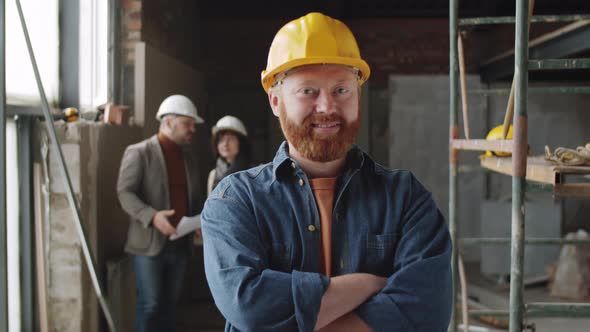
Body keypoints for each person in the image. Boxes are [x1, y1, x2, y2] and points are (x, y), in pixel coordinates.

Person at [201, 12, 452, 332]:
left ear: (358, 94)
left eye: (341, 90)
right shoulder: (236, 200)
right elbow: (248, 307)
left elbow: (427, 313)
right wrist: (367, 285)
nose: (327, 107)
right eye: (308, 91)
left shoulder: (405, 198)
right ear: (276, 101)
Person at [117, 94, 204, 332]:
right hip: (150, 245)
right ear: (168, 123)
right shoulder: (139, 152)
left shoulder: (188, 157)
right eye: (188, 123)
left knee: (169, 307)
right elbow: (124, 193)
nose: (193, 129)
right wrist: (153, 217)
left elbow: (192, 197)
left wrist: (198, 220)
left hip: (180, 242)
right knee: (151, 306)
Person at [207, 115, 251, 195]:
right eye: (221, 140)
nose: (225, 144)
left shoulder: (253, 172)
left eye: (230, 138)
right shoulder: (213, 174)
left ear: (241, 142)